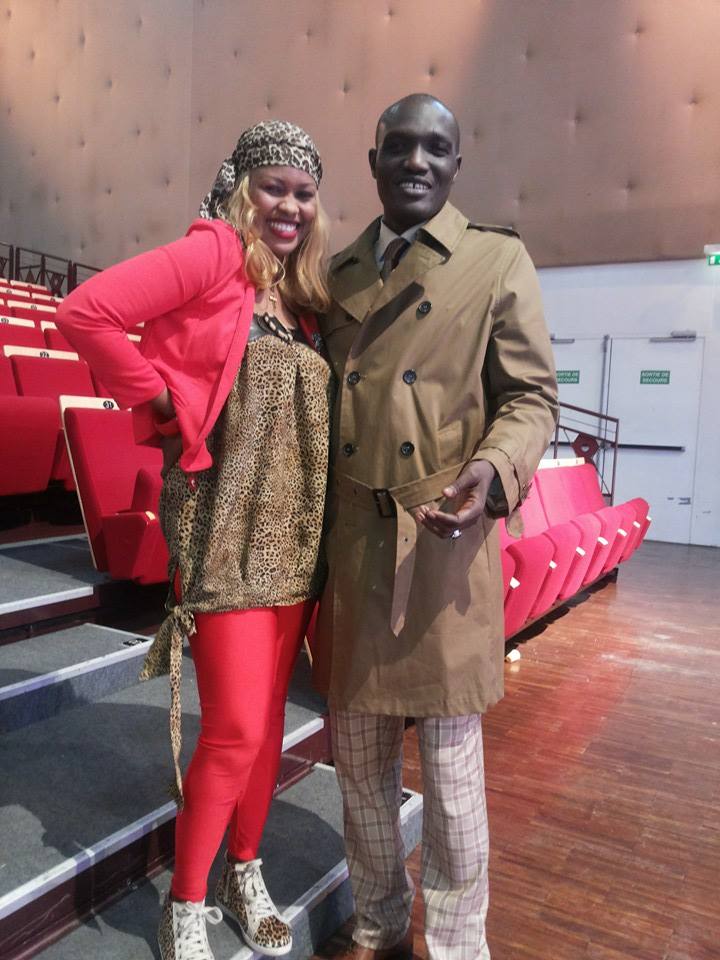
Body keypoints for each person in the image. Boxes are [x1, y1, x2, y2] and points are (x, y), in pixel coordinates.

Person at [56, 121, 332, 960]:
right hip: (223, 530)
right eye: (274, 187)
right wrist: (159, 403)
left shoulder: (306, 297)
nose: (289, 205)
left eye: (304, 192)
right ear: (242, 188)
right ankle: (184, 904)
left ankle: (245, 870)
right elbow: (86, 312)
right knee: (235, 729)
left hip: (298, 537)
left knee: (267, 724)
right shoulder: (215, 254)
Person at [312, 94, 558, 960]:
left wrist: (494, 472)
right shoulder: (338, 274)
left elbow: (532, 399)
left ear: (457, 165)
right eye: (400, 147)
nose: (416, 162)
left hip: (445, 545)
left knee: (452, 781)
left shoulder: (496, 260)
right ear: (374, 161)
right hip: (354, 549)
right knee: (360, 770)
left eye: (435, 148)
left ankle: (456, 943)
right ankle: (381, 918)